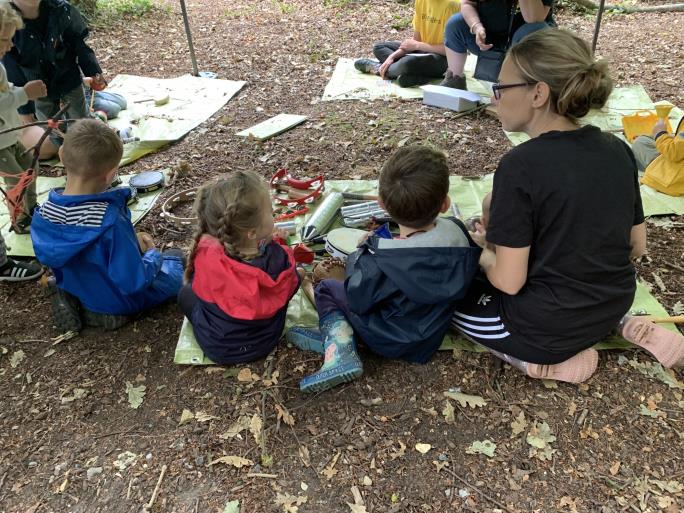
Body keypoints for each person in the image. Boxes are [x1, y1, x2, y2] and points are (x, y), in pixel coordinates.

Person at [450, 29, 684, 384]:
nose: (494, 98)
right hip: (612, 303)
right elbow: (636, 246)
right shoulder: (617, 149)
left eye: (501, 88)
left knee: (449, 298)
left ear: (538, 93)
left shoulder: (520, 166)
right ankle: (628, 324)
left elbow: (509, 282)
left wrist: (480, 253)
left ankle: (538, 363)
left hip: (545, 327)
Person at [288, 145, 482, 393]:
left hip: (387, 338)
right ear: (445, 204)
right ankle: (335, 339)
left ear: (382, 204)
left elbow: (359, 300)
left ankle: (340, 349)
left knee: (326, 288)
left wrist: (356, 259)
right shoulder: (458, 234)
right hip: (427, 339)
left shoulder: (380, 258)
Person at [30, 119, 184, 333]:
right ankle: (107, 313)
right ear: (111, 175)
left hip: (80, 285)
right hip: (118, 298)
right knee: (177, 260)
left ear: (62, 154)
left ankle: (73, 294)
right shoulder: (109, 221)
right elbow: (133, 282)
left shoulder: (44, 214)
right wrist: (152, 255)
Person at [178, 171, 301, 364]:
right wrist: (275, 242)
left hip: (219, 347)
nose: (274, 214)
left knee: (185, 293)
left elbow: (201, 287)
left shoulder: (206, 254)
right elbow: (292, 281)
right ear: (252, 233)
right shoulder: (277, 258)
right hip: (266, 340)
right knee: (292, 280)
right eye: (271, 211)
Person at [3, 0, 106, 160]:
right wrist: (26, 110)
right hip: (37, 85)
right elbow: (12, 69)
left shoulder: (61, 9)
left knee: (80, 120)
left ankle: (87, 154)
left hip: (68, 76)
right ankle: (70, 157)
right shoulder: (6, 20)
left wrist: (93, 71)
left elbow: (78, 43)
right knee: (51, 126)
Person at [0, 1, 47, 232]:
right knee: (15, 178)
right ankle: (19, 221)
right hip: (0, 142)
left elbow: (4, 90)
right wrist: (24, 93)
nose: (9, 46)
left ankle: (33, 208)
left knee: (31, 167)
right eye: (4, 40)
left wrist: (17, 90)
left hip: (9, 135)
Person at [440, 0, 555, 89]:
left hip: (524, 41)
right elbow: (467, 3)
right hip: (489, 36)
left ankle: (522, 88)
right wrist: (476, 26)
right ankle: (454, 79)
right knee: (455, 24)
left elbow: (534, 18)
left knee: (535, 31)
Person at [354, 0, 461, 88]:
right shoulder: (421, 1)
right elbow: (416, 39)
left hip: (444, 59)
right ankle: (414, 77)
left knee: (407, 63)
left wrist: (418, 46)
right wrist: (392, 56)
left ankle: (378, 68)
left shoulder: (452, 5)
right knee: (379, 47)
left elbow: (453, 50)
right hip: (422, 51)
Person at [632, 117, 684, 196]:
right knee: (642, 140)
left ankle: (655, 165)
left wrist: (660, 134)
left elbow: (674, 153)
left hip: (673, 180)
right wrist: (672, 136)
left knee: (639, 143)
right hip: (676, 156)